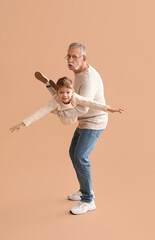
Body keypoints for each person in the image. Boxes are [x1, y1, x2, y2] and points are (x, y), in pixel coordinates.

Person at [34, 42, 124, 215]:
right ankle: (84, 189)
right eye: (68, 56)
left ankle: (88, 200)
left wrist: (57, 111)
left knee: (81, 156)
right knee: (73, 153)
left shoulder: (88, 78)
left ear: (84, 58)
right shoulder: (78, 72)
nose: (70, 60)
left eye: (74, 57)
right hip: (84, 121)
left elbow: (83, 108)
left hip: (94, 122)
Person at [10, 76, 123, 130]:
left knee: (81, 103)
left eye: (68, 92)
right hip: (62, 112)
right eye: (62, 93)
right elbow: (39, 113)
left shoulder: (74, 96)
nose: (65, 95)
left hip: (66, 111)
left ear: (72, 91)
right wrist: (23, 123)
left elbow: (91, 102)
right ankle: (50, 86)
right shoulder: (56, 99)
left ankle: (50, 85)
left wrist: (108, 108)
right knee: (54, 104)